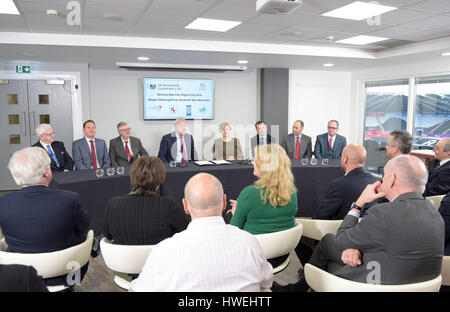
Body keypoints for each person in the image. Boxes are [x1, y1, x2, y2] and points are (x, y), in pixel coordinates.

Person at [277, 155, 444, 292]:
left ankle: (297, 289)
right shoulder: (435, 214)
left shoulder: (383, 213)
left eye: (384, 174)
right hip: (419, 283)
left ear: (392, 179)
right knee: (329, 242)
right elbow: (394, 242)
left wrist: (359, 203)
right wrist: (355, 245)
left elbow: (341, 240)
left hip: (376, 284)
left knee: (330, 247)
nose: (381, 179)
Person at [129, 173, 273, 292]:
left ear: (185, 206)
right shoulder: (249, 242)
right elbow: (267, 282)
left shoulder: (164, 251)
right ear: (224, 202)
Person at [0, 147, 90, 287]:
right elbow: (84, 227)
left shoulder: (2, 203)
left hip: (19, 276)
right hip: (64, 273)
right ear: (46, 173)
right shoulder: (69, 199)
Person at [295, 144, 379, 267]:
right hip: (366, 235)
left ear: (345, 160)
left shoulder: (338, 185)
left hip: (340, 233)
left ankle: (311, 269)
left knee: (298, 233)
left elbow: (321, 217)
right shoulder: (374, 181)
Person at [229, 144, 298, 266]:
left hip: (254, 257)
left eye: (256, 159)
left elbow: (234, 230)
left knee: (227, 216)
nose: (252, 162)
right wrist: (243, 206)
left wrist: (236, 212)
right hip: (282, 255)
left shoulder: (249, 193)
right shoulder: (291, 191)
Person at [103, 156, 189, 245]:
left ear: (132, 176)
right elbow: (187, 231)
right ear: (160, 181)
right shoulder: (167, 205)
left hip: (121, 259)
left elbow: (107, 235)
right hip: (159, 257)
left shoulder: (113, 204)